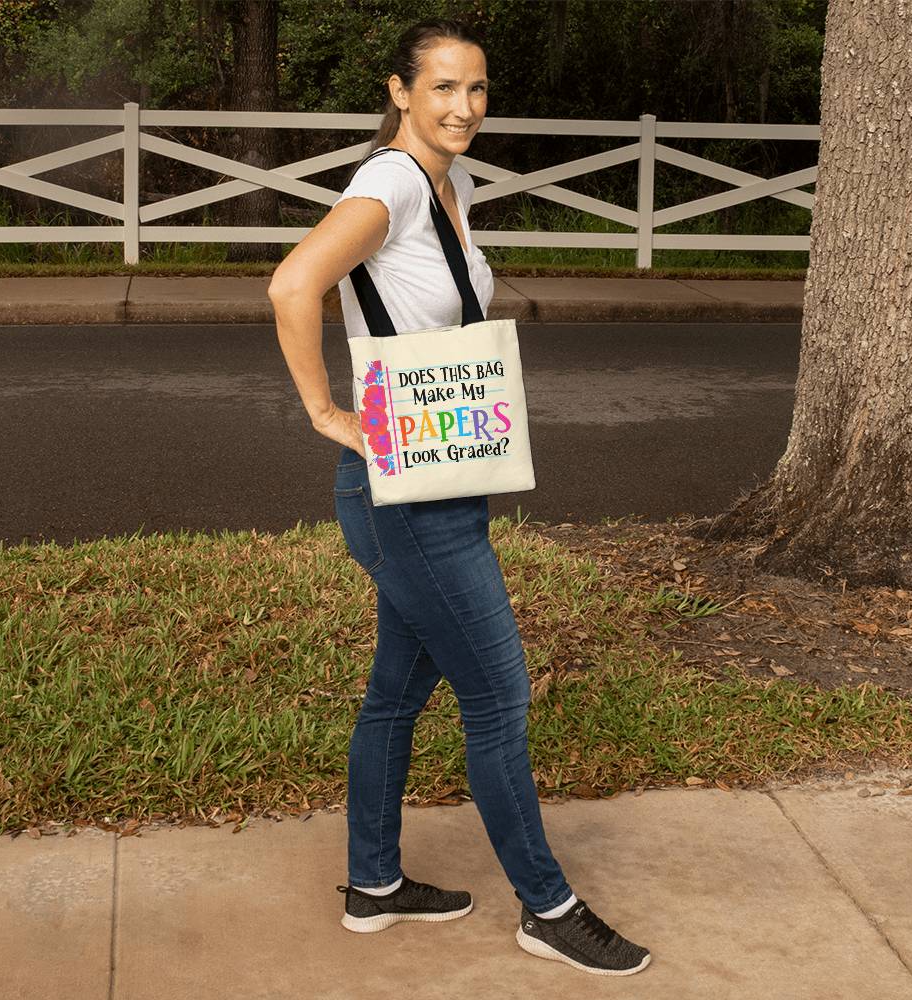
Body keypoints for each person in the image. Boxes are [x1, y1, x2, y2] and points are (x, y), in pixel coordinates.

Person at [268, 17, 651, 978]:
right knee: (499, 694)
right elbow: (294, 284)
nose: (463, 107)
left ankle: (374, 887)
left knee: (397, 691)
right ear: (399, 91)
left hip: (439, 476)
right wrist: (324, 407)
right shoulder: (392, 182)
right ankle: (548, 907)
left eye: (476, 89)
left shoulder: (450, 181)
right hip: (404, 491)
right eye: (441, 88)